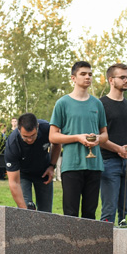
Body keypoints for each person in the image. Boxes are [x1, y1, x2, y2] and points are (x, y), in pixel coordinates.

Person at [50, 61, 108, 219]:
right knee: (70, 214)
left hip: (94, 165)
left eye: (90, 74)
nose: (87, 77)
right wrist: (77, 137)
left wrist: (98, 138)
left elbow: (105, 135)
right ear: (73, 78)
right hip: (71, 165)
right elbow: (53, 136)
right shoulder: (62, 103)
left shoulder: (97, 104)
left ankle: (89, 237)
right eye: (83, 74)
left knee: (90, 214)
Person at [99, 63, 127, 224]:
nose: (126, 80)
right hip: (109, 161)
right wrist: (118, 149)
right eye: (122, 77)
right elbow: (98, 137)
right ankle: (105, 239)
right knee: (108, 210)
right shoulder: (100, 105)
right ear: (111, 80)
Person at [5, 113, 60, 212]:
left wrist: (52, 166)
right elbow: (13, 182)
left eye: (33, 135)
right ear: (18, 130)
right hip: (23, 174)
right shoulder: (12, 144)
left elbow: (57, 143)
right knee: (26, 209)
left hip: (44, 171)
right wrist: (24, 211)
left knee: (46, 212)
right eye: (25, 136)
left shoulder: (47, 128)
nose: (30, 139)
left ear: (37, 127)